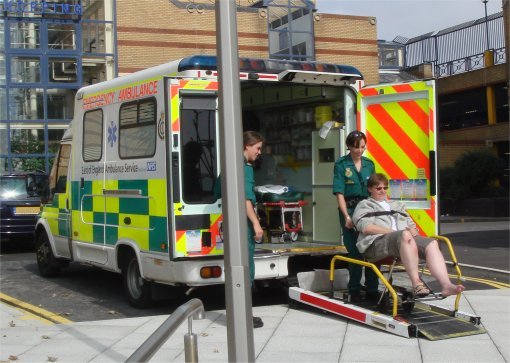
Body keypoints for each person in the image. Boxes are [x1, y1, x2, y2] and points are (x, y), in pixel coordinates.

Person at [352, 173, 465, 298]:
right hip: (375, 244)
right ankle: (416, 283)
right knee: (405, 235)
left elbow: (410, 224)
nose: (382, 191)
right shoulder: (365, 205)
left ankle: (446, 285)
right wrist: (394, 232)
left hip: (404, 240)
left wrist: (413, 229)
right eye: (378, 188)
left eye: (385, 188)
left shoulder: (396, 205)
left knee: (432, 243)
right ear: (370, 189)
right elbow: (367, 228)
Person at [332, 130, 379, 301]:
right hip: (350, 210)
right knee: (355, 251)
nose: (360, 150)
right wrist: (346, 217)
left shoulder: (369, 164)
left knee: (372, 249)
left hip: (367, 210)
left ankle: (373, 288)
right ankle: (354, 288)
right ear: (349, 147)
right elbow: (339, 194)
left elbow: (374, 189)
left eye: (363, 147)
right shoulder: (341, 165)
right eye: (357, 147)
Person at [243, 131, 265, 328]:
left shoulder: (231, 164)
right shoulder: (245, 168)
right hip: (242, 225)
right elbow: (246, 199)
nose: (259, 152)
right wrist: (256, 224)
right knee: (246, 270)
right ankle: (244, 317)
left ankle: (242, 315)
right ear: (247, 145)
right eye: (257, 148)